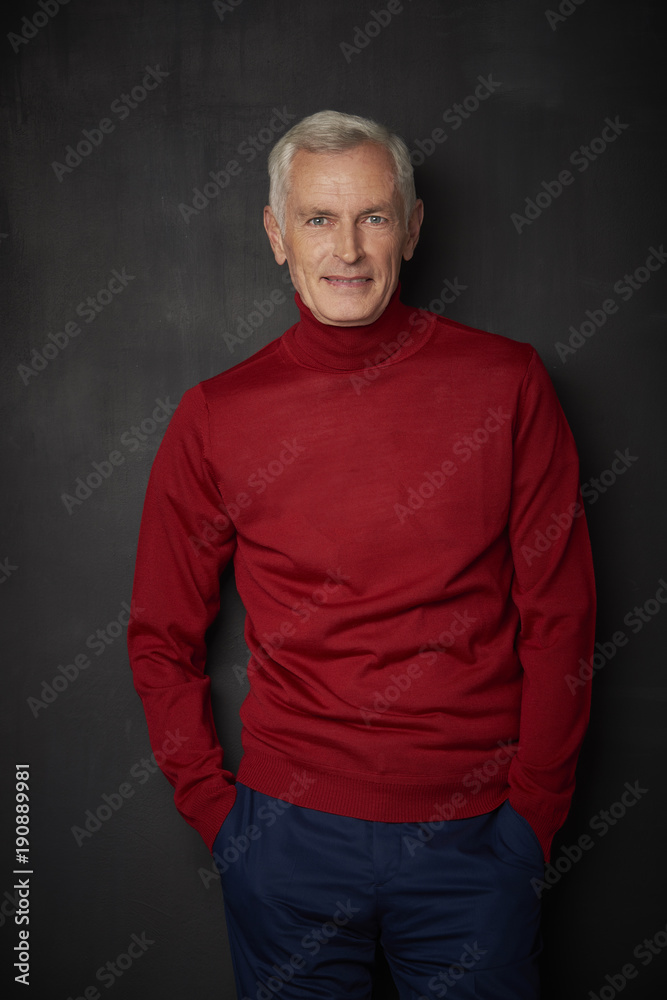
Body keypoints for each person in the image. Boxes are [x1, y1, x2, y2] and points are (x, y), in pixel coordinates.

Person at [128, 109, 596, 999]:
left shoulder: (508, 384)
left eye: (374, 216)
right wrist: (218, 816)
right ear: (276, 236)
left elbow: (562, 616)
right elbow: (160, 633)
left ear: (411, 228)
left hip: (475, 839)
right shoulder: (218, 414)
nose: (347, 247)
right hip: (285, 841)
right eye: (317, 218)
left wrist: (533, 815)